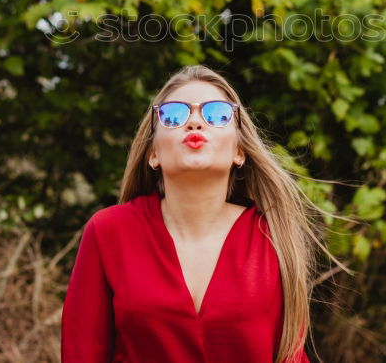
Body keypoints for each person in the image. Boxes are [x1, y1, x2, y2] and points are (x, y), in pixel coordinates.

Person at [60, 64, 343, 362]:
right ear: (152, 154)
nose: (195, 122)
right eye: (173, 115)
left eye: (217, 114)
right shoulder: (108, 231)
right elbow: (81, 353)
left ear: (240, 152)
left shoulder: (272, 235)